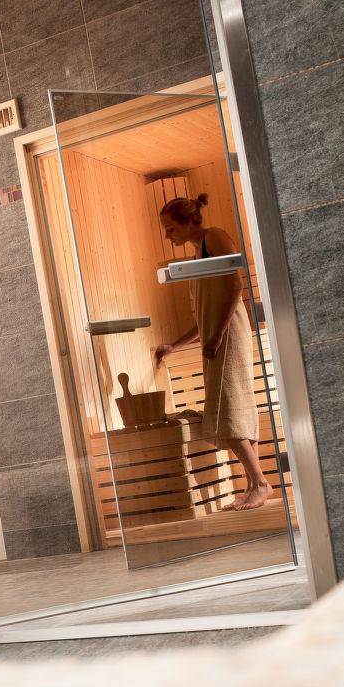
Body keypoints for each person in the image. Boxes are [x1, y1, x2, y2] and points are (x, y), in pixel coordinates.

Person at [154, 193, 270, 511]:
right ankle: (253, 485)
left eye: (171, 228)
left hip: (228, 334)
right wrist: (175, 345)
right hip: (217, 335)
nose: (168, 235)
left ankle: (261, 483)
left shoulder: (213, 237)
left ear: (190, 220)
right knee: (235, 407)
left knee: (225, 409)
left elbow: (235, 286)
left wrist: (218, 335)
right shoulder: (197, 256)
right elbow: (205, 314)